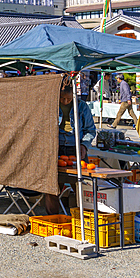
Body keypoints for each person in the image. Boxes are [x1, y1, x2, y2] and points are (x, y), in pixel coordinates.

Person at [44, 81, 97, 213]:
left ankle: (87, 216)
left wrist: (84, 145)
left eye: (69, 98)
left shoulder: (82, 107)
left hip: (76, 148)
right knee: (52, 186)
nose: (66, 101)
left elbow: (90, 130)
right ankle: (53, 217)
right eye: (63, 98)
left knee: (82, 185)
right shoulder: (51, 105)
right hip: (57, 147)